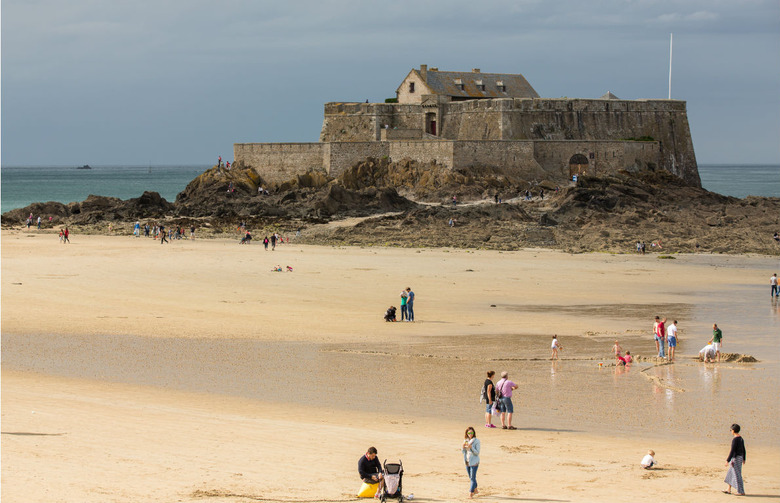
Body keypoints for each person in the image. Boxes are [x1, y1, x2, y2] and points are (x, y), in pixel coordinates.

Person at [723, 424, 746, 495]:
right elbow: (744, 449)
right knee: (730, 473)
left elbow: (732, 450)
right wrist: (744, 458)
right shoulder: (741, 438)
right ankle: (728, 489)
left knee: (737, 474)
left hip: (735, 459)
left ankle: (741, 491)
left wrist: (727, 460)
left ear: (733, 430)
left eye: (731, 430)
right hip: (740, 457)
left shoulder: (735, 439)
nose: (731, 431)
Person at [461, 427, 481, 498]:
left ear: (474, 433)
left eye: (471, 433)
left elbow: (477, 452)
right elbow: (463, 452)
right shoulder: (465, 440)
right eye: (469, 433)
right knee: (471, 477)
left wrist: (471, 447)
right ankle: (475, 489)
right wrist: (463, 447)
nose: (470, 434)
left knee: (472, 477)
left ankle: (471, 492)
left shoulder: (476, 441)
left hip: (474, 462)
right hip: (467, 462)